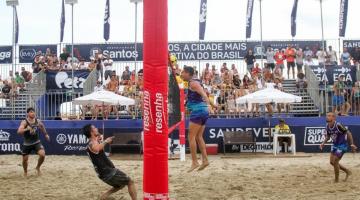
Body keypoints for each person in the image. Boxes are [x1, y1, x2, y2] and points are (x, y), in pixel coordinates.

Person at [82, 124, 137, 200]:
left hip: (103, 174)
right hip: (108, 172)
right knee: (130, 182)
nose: (97, 128)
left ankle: (104, 196)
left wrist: (102, 140)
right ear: (91, 132)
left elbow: (99, 150)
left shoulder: (94, 142)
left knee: (119, 186)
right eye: (94, 128)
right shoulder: (92, 144)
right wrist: (106, 141)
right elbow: (97, 148)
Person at [181, 66, 216, 172]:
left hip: (199, 111)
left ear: (188, 73)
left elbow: (204, 95)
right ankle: (205, 160)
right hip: (203, 111)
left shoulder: (193, 83)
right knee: (199, 136)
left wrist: (210, 106)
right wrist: (213, 105)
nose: (181, 74)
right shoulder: (194, 82)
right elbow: (200, 95)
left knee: (190, 137)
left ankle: (195, 162)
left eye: (183, 72)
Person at [320, 112, 357, 183]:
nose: (327, 117)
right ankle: (347, 171)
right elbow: (328, 136)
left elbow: (348, 133)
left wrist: (352, 144)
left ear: (333, 118)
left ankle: (336, 180)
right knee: (331, 162)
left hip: (342, 145)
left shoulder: (338, 125)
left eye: (329, 116)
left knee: (336, 161)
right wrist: (323, 143)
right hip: (334, 145)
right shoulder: (327, 126)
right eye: (327, 115)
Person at [17, 108, 50, 177]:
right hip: (27, 143)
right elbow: (19, 132)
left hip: (36, 142)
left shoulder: (37, 121)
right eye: (31, 112)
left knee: (42, 155)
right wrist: (27, 129)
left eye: (34, 112)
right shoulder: (24, 122)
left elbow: (42, 126)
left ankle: (37, 167)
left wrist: (46, 134)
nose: (33, 113)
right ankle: (25, 172)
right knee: (25, 160)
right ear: (28, 114)